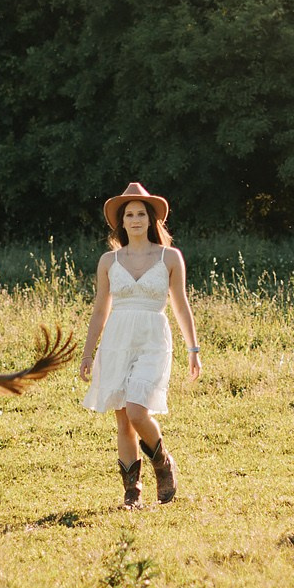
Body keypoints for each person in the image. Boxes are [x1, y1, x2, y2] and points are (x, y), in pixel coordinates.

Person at [79, 182, 201, 507]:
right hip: (117, 340)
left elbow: (180, 305)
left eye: (141, 214)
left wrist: (193, 349)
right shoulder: (109, 261)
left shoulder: (169, 257)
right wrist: (88, 352)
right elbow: (100, 309)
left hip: (153, 339)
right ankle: (132, 493)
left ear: (151, 220)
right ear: (122, 222)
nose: (135, 219)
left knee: (137, 410)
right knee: (123, 419)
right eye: (129, 215)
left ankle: (163, 462)